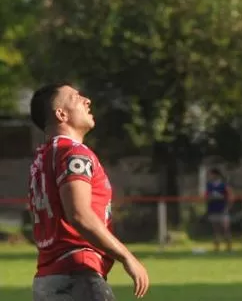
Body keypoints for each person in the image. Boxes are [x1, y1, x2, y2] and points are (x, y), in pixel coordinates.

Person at [27, 83, 150, 300]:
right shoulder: (73, 153)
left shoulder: (42, 158)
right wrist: (126, 256)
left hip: (47, 277)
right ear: (61, 114)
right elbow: (79, 216)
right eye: (75, 97)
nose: (87, 100)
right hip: (77, 275)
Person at [204, 168, 233, 252]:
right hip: (213, 209)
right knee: (216, 230)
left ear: (216, 175)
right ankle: (216, 248)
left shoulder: (223, 185)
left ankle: (229, 248)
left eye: (211, 174)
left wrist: (228, 207)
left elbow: (230, 196)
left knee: (226, 229)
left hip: (223, 210)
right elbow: (206, 197)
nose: (210, 176)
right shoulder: (209, 185)